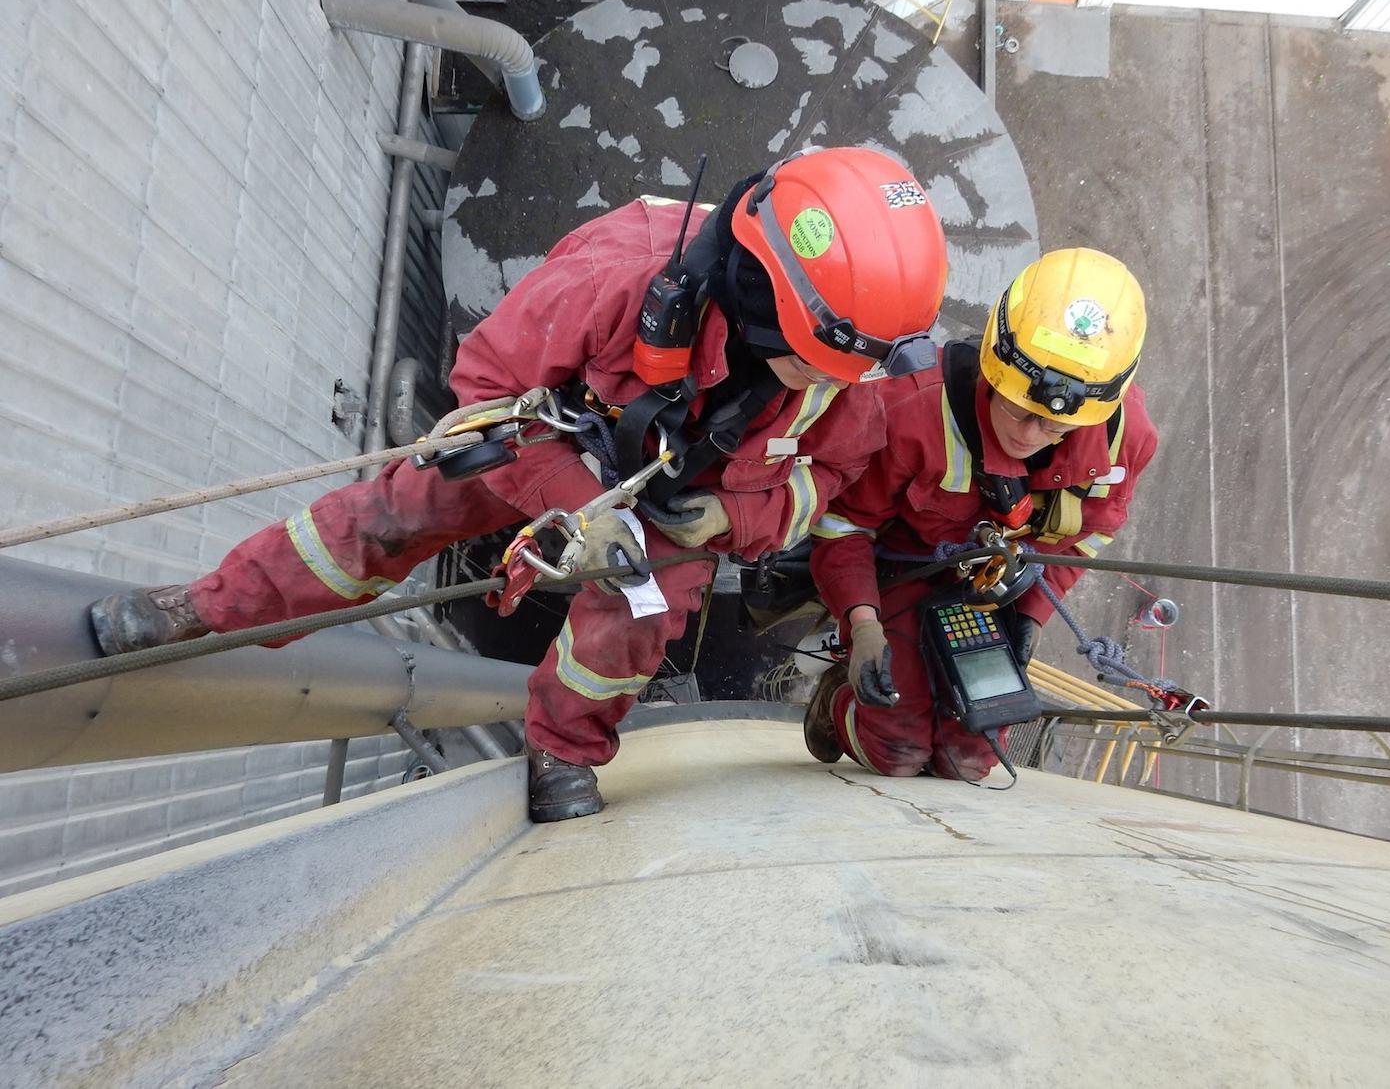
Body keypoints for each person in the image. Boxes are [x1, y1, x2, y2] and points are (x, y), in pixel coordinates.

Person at [88, 146, 949, 822]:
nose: (833, 382)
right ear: (769, 302)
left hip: (681, 506)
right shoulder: (626, 267)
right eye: (821, 362)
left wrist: (727, 516)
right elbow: (490, 390)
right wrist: (577, 504)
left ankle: (564, 749)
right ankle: (208, 608)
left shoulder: (852, 365)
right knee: (388, 515)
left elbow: (825, 477)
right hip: (546, 444)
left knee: (632, 630)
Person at [805, 248, 1158, 780]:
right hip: (905, 571)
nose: (1028, 435)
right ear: (994, 367)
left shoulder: (1121, 442)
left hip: (998, 587)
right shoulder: (912, 410)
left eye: (1055, 429)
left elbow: (1088, 539)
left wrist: (1033, 615)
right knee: (896, 751)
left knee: (970, 759)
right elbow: (842, 524)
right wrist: (863, 622)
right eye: (1018, 411)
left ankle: (942, 734)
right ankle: (836, 706)